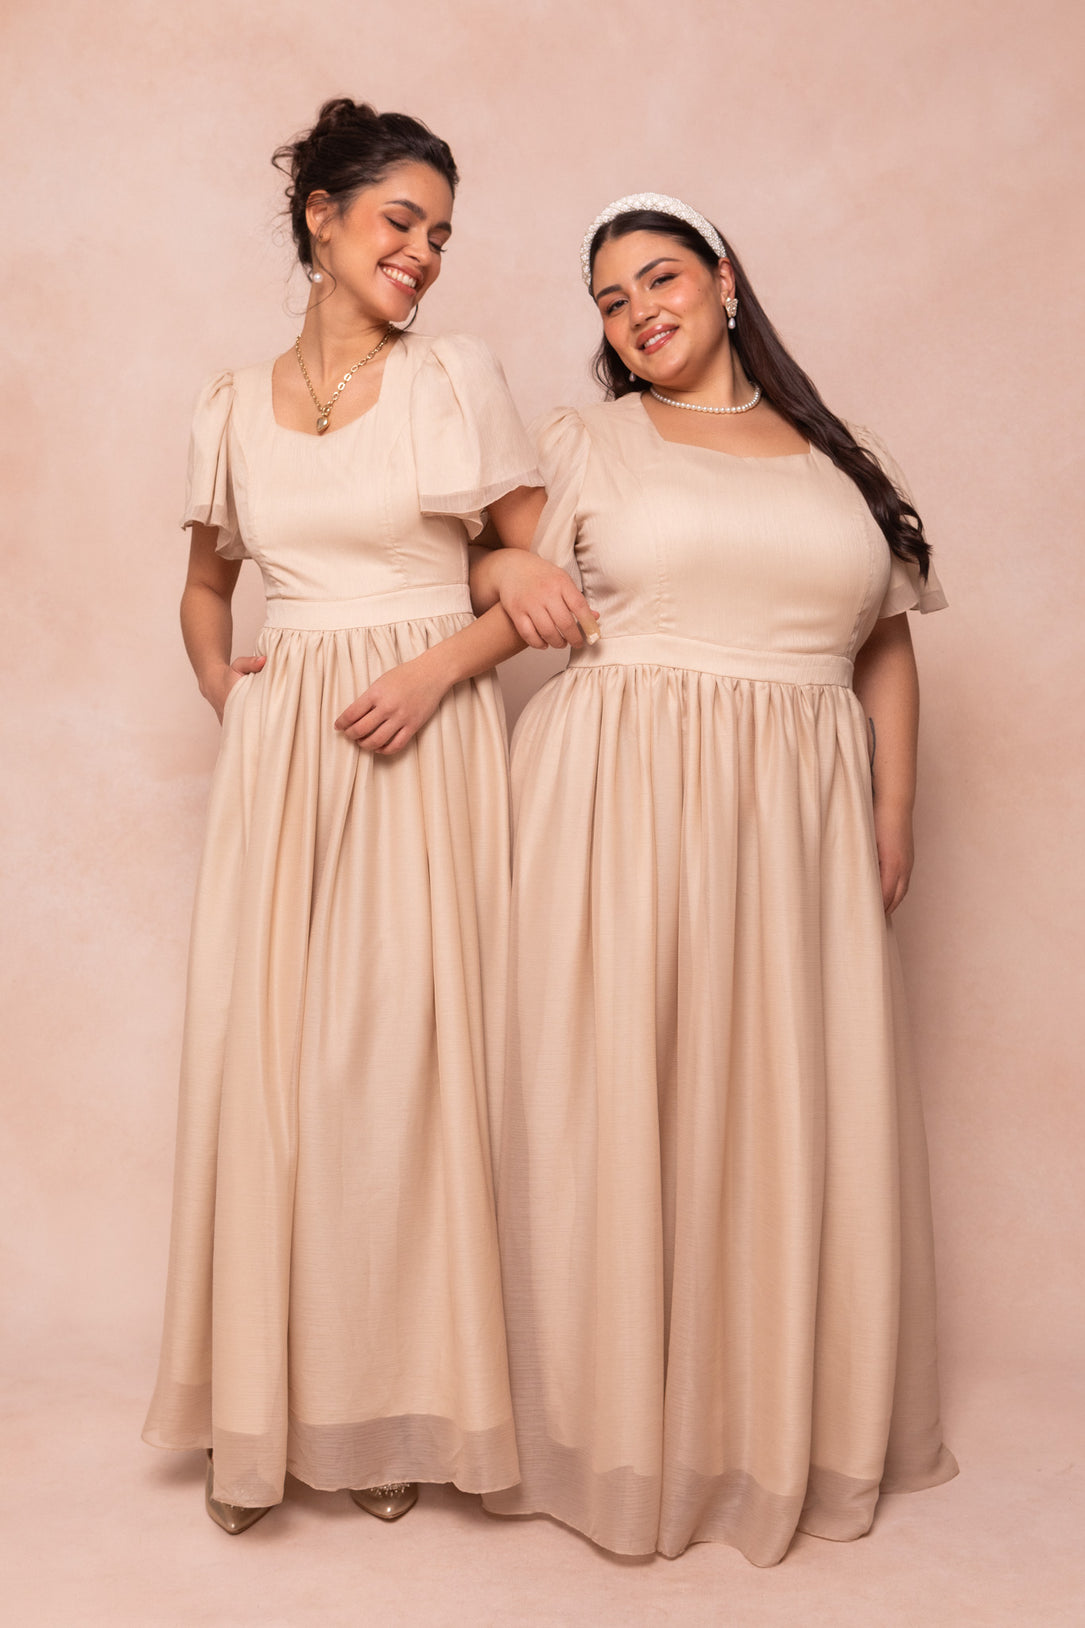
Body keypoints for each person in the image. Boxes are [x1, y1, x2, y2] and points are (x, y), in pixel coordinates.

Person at [474, 194, 958, 1565]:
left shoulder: (836, 456)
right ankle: (610, 1432)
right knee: (621, 1105)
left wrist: (893, 802)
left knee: (772, 1102)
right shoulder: (584, 443)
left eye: (658, 280)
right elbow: (474, 552)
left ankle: (759, 1422)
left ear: (725, 279)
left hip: (795, 823)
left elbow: (883, 638)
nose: (637, 315)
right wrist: (509, 554)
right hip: (614, 805)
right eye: (610, 303)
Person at [142, 98, 592, 1534]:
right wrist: (240, 700)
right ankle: (263, 1416)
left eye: (442, 233)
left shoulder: (452, 376)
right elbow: (209, 589)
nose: (425, 254)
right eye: (401, 220)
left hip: (424, 735)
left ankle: (392, 1409)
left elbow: (533, 577)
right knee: (266, 1068)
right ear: (321, 218)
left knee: (396, 1081)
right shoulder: (230, 401)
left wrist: (432, 665)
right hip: (294, 758)